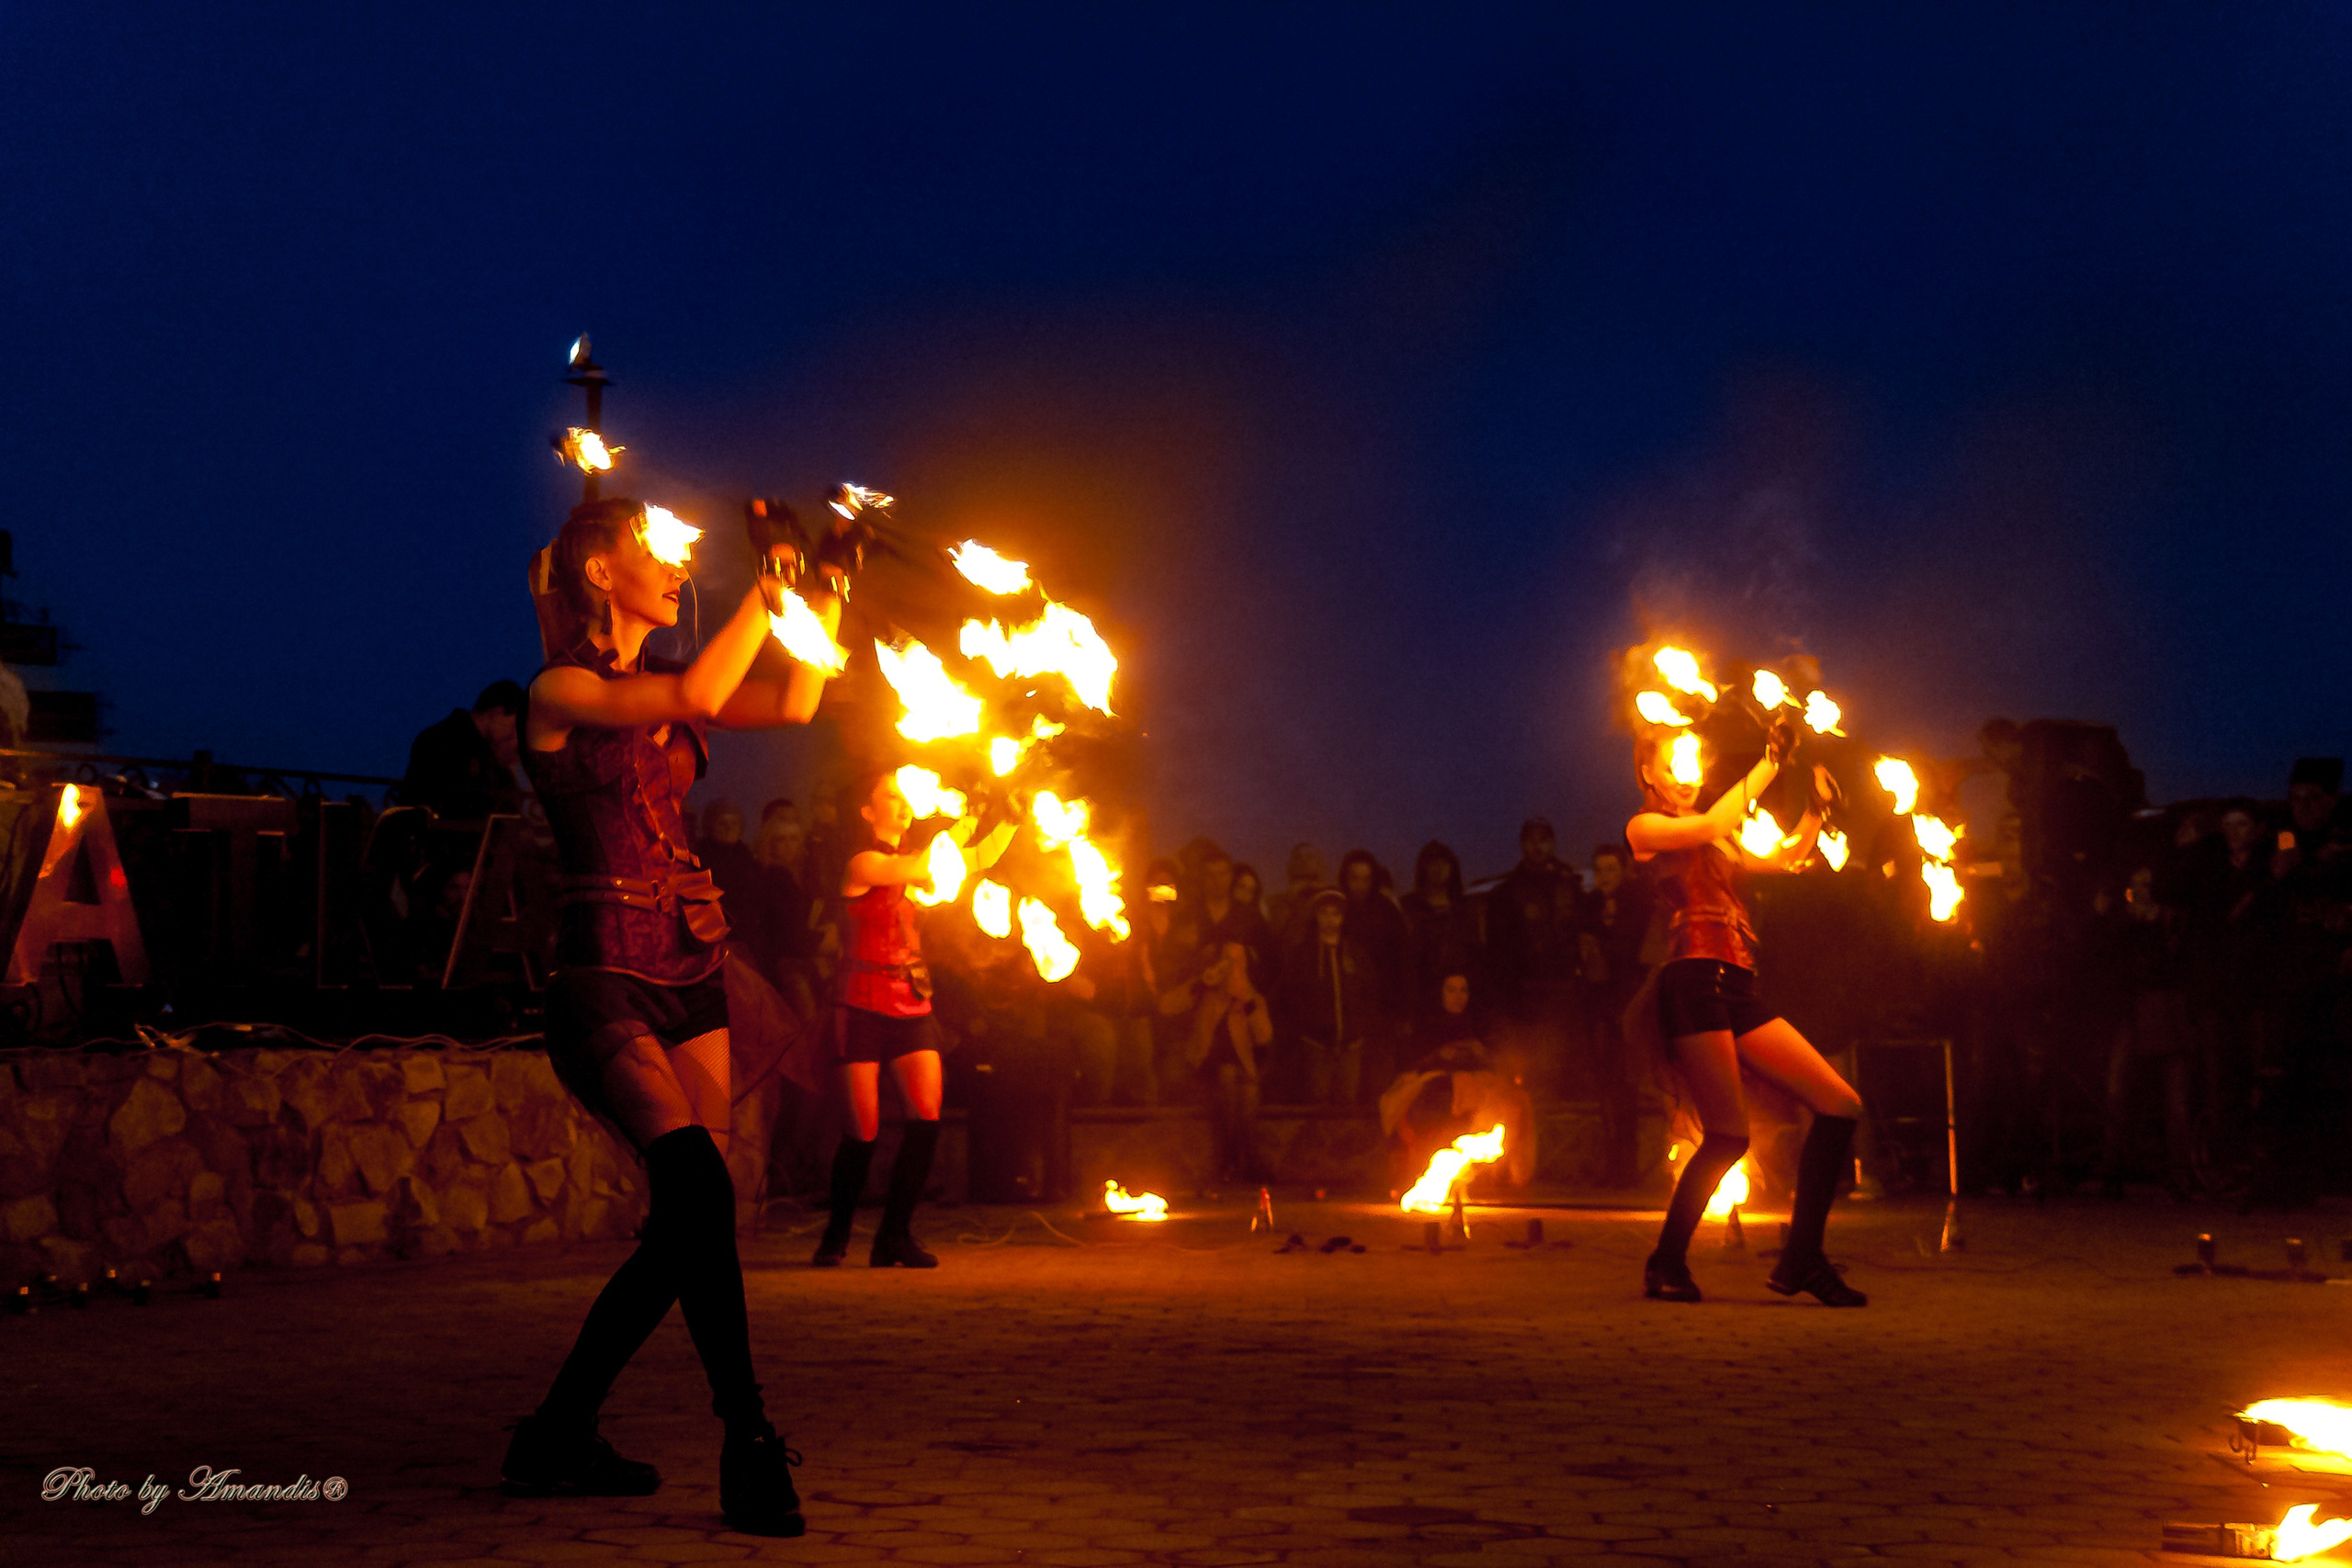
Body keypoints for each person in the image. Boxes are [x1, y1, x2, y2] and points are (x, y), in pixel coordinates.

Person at [500, 494, 840, 1537]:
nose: (681, 571)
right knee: (692, 1185)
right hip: (602, 973)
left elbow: (797, 702)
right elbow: (694, 682)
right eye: (657, 555)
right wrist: (771, 585)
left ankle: (557, 1430)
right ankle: (746, 1439)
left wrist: (826, 590)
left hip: (691, 966)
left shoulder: (675, 695)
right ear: (600, 574)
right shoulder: (558, 688)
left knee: (698, 1217)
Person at [1626, 722, 1866, 1306]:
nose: (1688, 774)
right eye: (1673, 763)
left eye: (1693, 762)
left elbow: (1785, 860)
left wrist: (1815, 812)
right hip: (1691, 981)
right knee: (1728, 1137)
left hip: (1737, 984)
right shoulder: (1647, 828)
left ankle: (1802, 1258)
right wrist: (1770, 760)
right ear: (1648, 774)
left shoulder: (1719, 835)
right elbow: (1711, 824)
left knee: (1840, 1104)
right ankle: (1665, 1263)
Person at [810, 770, 1012, 1268]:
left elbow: (977, 860)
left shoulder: (922, 864)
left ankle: (893, 1236)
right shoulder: (864, 862)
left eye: (906, 798)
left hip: (911, 1004)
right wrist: (963, 825)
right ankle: (836, 1234)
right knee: (863, 1135)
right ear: (867, 809)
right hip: (858, 1005)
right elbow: (928, 862)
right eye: (890, 797)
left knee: (926, 1121)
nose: (902, 805)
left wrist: (1010, 816)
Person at [1169, 938, 1273, 1185]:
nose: (1230, 967)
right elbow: (1167, 1005)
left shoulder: (1251, 1000)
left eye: (1236, 962)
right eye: (1227, 960)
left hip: (1241, 1070)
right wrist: (1199, 983)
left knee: (1247, 1092)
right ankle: (1236, 1160)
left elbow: (1264, 1037)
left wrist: (1247, 1001)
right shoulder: (1207, 993)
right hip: (1207, 1067)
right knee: (1227, 1077)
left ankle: (1242, 1159)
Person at [1281, 887, 1374, 1107]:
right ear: (1316, 915)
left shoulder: (1355, 953)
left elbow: (1370, 991)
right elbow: (1291, 994)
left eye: (1336, 913)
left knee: (1347, 1105)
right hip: (1316, 1044)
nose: (1330, 919)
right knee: (1317, 1105)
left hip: (1352, 1044)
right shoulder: (1303, 954)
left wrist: (1362, 1026)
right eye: (1325, 912)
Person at [401, 681, 527, 820]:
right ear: (496, 713)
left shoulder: (483, 750)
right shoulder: (444, 739)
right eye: (514, 725)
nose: (515, 734)